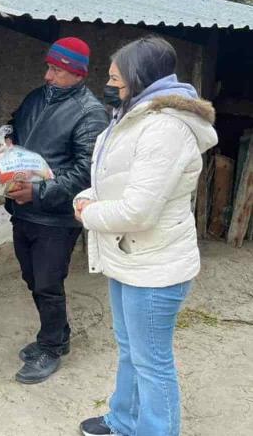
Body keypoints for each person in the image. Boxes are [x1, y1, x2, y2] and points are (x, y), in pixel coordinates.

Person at [75, 37, 218, 436]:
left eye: (115, 77)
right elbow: (108, 179)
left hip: (155, 264)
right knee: (130, 349)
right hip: (128, 256)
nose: (108, 83)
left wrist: (88, 213)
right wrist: (87, 197)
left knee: (152, 362)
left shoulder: (165, 128)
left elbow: (139, 210)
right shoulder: (130, 116)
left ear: (139, 78)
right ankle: (123, 420)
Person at [6, 37, 109, 384]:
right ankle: (59, 334)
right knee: (32, 277)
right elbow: (16, 123)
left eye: (56, 70)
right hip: (23, 209)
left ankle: (50, 347)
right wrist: (7, 137)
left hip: (56, 216)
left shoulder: (90, 113)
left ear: (76, 74)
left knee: (48, 283)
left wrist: (37, 193)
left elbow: (84, 171)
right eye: (48, 67)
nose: (48, 75)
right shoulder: (38, 96)